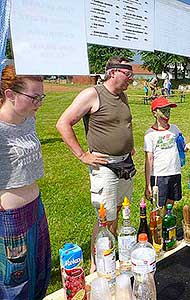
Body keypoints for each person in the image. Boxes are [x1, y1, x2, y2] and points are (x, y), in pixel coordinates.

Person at [56, 56, 136, 273]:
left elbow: (125, 122)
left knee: (118, 212)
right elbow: (63, 123)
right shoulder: (92, 94)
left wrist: (130, 145)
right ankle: (96, 265)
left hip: (125, 164)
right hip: (105, 166)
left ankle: (110, 256)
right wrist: (82, 155)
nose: (132, 78)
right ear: (113, 73)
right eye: (128, 74)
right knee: (105, 218)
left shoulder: (122, 96)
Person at [0, 64, 51, 299]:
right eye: (34, 97)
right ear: (9, 95)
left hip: (36, 208)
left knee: (40, 271)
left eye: (41, 96)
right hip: (10, 218)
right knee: (15, 282)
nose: (39, 103)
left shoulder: (28, 119)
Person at [144, 97, 190, 207]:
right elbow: (149, 159)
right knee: (158, 204)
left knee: (171, 201)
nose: (167, 113)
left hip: (174, 172)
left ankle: (168, 220)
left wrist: (188, 146)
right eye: (163, 110)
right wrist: (148, 184)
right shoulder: (150, 134)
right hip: (159, 174)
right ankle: (159, 223)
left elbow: (181, 148)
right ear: (155, 113)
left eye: (169, 110)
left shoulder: (175, 129)